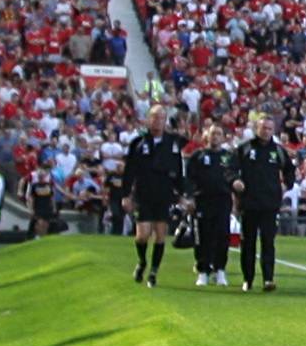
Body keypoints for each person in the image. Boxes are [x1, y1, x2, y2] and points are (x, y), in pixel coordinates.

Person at [231, 113, 296, 292]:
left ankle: (268, 278)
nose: (266, 131)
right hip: (249, 203)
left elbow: (290, 170)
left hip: (270, 204)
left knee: (268, 242)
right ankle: (248, 279)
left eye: (269, 128)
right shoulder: (244, 148)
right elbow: (231, 169)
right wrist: (235, 181)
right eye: (263, 128)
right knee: (248, 243)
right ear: (256, 129)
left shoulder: (278, 151)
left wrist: (286, 185)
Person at [123, 105, 186, 287]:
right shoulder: (138, 143)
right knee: (142, 235)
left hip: (164, 193)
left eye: (161, 118)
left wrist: (181, 194)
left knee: (160, 234)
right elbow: (129, 171)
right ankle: (142, 261)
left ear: (165, 121)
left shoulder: (172, 143)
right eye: (154, 117)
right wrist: (126, 195)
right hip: (143, 193)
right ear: (148, 119)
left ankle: (153, 272)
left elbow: (178, 170)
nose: (157, 121)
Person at [186, 122, 235, 286]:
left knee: (222, 236)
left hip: (223, 200)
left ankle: (220, 270)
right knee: (202, 236)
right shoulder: (198, 156)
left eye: (218, 134)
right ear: (207, 136)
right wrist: (190, 198)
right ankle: (203, 271)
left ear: (223, 137)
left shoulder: (228, 157)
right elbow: (189, 179)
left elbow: (234, 178)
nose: (215, 137)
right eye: (213, 133)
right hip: (203, 200)